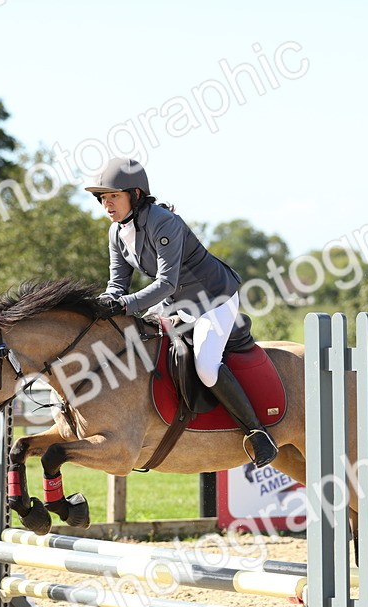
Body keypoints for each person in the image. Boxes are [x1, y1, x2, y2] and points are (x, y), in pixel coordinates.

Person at [85, 157, 278, 467]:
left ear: (134, 194)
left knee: (206, 366)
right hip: (175, 302)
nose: (107, 205)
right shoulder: (116, 233)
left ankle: (257, 433)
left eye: (113, 197)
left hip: (213, 298)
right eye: (102, 199)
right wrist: (101, 304)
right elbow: (116, 284)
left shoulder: (164, 222)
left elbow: (165, 282)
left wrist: (123, 305)